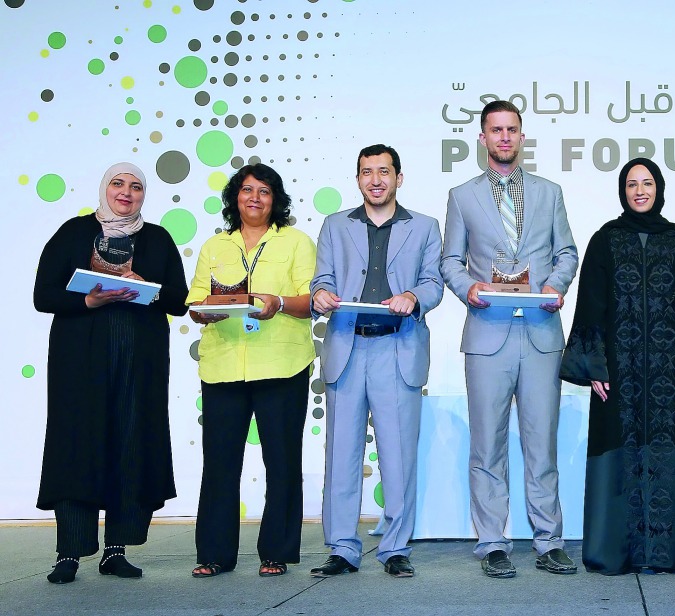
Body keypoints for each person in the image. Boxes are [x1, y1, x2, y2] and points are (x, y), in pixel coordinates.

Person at [560, 158, 675, 575]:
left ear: (659, 188)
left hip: (670, 372)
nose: (639, 191)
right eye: (632, 184)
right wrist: (594, 365)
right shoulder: (605, 240)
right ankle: (619, 551)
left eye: (647, 183)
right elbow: (590, 306)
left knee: (670, 450)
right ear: (622, 191)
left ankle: (670, 551)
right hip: (619, 371)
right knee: (618, 448)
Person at [440, 100, 580, 578]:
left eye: (511, 129)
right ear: (482, 138)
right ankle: (492, 542)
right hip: (487, 335)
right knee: (487, 446)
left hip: (540, 332)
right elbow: (450, 261)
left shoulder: (549, 192)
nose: (504, 137)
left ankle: (549, 541)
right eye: (496, 130)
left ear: (521, 136)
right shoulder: (462, 196)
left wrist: (555, 286)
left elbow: (567, 252)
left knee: (542, 445)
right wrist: (467, 288)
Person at [33, 163, 188, 584]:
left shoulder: (157, 238)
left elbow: (179, 300)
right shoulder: (73, 232)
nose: (126, 192)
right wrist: (87, 302)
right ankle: (69, 553)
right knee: (76, 446)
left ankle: (116, 550)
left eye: (136, 186)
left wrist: (147, 287)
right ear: (105, 188)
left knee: (132, 444)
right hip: (78, 362)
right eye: (118, 184)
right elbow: (43, 295)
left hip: (140, 361)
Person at [308, 144, 444, 578]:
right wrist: (319, 294)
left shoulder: (424, 226)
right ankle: (342, 548)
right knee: (341, 455)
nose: (376, 180)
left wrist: (413, 296)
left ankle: (396, 547)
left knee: (398, 456)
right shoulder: (335, 225)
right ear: (358, 179)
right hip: (347, 346)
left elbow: (434, 283)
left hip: (398, 348)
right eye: (367, 172)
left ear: (399, 178)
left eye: (384, 171)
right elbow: (322, 278)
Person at [186, 163, 316, 578]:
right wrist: (205, 312)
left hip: (282, 364)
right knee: (219, 463)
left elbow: (311, 300)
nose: (254, 198)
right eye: (246, 190)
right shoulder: (214, 246)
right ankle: (214, 554)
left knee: (282, 462)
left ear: (275, 200)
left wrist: (278, 302)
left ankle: (276, 552)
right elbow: (195, 303)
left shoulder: (296, 241)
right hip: (223, 365)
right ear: (234, 198)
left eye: (263, 191)